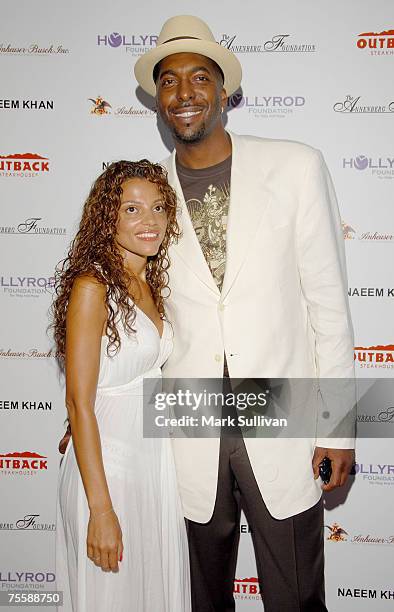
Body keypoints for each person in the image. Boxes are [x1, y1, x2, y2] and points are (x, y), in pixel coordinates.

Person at [133, 15, 356, 612]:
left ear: (224, 91)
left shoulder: (295, 166)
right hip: (186, 425)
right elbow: (126, 309)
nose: (185, 94)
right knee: (199, 600)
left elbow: (328, 308)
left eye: (199, 78)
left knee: (296, 597)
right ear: (157, 99)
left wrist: (336, 427)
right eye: (170, 81)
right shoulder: (144, 195)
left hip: (281, 416)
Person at [52, 160, 191, 612]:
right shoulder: (93, 286)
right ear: (107, 216)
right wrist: (102, 511)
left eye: (157, 207)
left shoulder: (150, 280)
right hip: (108, 472)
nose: (148, 221)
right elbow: (80, 403)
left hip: (153, 464)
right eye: (131, 209)